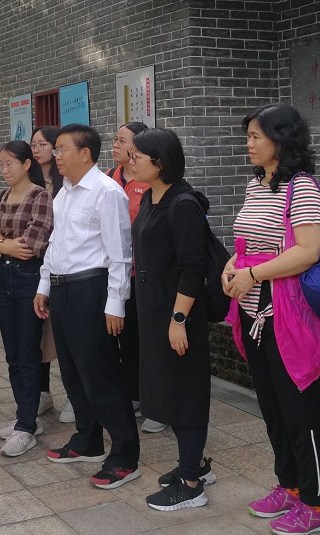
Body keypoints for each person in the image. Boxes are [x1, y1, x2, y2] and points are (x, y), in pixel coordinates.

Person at [220, 103, 320, 535]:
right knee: (272, 407)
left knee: (300, 410)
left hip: (288, 316)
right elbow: (249, 243)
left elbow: (307, 251)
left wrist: (251, 274)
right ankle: (290, 487)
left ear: (281, 140)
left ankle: (316, 503)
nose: (248, 144)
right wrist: (232, 266)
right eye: (247, 136)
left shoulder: (301, 188)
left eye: (255, 136)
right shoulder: (256, 185)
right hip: (255, 312)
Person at [33, 123, 140, 490]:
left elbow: (120, 254)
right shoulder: (64, 193)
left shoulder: (106, 192)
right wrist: (44, 285)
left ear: (85, 153)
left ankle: (125, 455)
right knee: (73, 372)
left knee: (101, 374)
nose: (56, 156)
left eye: (62, 149)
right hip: (62, 290)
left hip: (91, 290)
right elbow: (55, 243)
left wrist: (115, 304)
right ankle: (88, 439)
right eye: (56, 150)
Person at [127, 128, 213, 512]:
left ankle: (191, 484)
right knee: (167, 390)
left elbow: (192, 268)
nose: (131, 161)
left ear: (159, 162)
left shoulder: (182, 204)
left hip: (178, 315)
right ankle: (192, 464)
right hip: (154, 310)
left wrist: (178, 319)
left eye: (137, 155)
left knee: (186, 394)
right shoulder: (152, 197)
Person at [0, 140, 54, 457]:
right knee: (11, 352)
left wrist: (1, 240)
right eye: (1, 164)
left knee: (28, 352)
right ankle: (26, 416)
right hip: (5, 277)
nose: (4, 169)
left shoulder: (40, 196)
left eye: (10, 163)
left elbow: (33, 245)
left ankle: (26, 426)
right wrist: (3, 244)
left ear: (26, 164)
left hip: (29, 278)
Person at [109, 121, 163, 434]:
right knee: (126, 339)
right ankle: (134, 394)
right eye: (114, 140)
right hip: (118, 275)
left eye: (122, 140)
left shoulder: (152, 183)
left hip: (147, 275)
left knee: (150, 340)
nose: (115, 145)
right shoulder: (108, 178)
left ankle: (158, 402)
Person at [30, 125, 64, 419]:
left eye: (42, 144)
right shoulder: (27, 181)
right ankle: (43, 393)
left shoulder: (64, 183)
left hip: (60, 265)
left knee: (61, 333)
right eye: (33, 144)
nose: (36, 149)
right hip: (32, 265)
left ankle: (75, 395)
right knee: (37, 335)